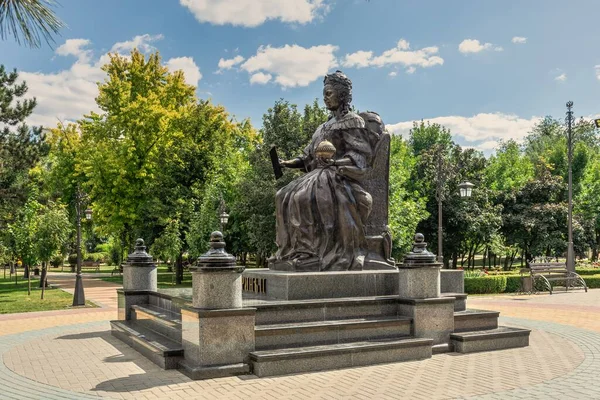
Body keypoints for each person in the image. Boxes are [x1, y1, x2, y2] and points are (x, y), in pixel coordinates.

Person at [271, 71, 375, 271]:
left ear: (342, 95)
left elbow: (360, 156)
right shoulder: (322, 127)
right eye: (324, 93)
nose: (325, 98)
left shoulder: (353, 121)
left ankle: (309, 253)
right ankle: (291, 250)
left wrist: (335, 163)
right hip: (315, 175)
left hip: (337, 176)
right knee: (281, 195)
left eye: (329, 93)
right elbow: (307, 157)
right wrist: (286, 163)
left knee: (302, 199)